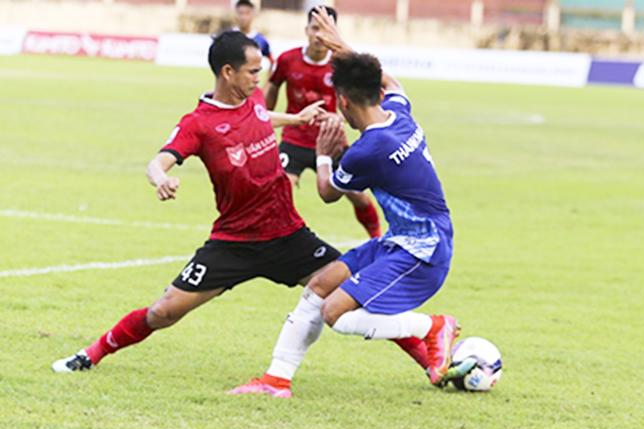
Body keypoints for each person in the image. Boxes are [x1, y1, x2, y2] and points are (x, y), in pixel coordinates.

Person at [50, 31, 339, 385]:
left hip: (288, 234)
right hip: (234, 242)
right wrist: (161, 180)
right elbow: (156, 163)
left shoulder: (255, 98)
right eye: (251, 71)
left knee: (351, 289)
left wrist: (296, 119)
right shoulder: (198, 124)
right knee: (164, 311)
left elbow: (261, 115)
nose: (258, 77)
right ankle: (90, 354)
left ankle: (428, 353)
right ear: (228, 72)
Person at [227, 7, 461, 398]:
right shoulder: (399, 113)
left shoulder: (368, 150)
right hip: (404, 239)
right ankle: (275, 381)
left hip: (423, 251)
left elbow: (328, 193)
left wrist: (323, 153)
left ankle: (433, 327)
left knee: (334, 313)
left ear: (343, 101)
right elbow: (386, 78)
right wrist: (341, 45)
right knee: (319, 285)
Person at [265, 6, 381, 239]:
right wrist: (265, 119)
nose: (319, 35)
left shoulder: (343, 65)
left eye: (324, 29)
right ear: (306, 29)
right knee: (278, 192)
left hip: (332, 140)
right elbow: (270, 94)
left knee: (358, 195)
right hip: (294, 140)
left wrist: (339, 117)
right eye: (314, 28)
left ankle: (376, 238)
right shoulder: (287, 60)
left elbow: (359, 103)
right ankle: (273, 241)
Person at [232, 0, 274, 68]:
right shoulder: (227, 37)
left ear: (253, 14)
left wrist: (267, 78)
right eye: (241, 13)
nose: (243, 17)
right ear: (236, 14)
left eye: (247, 13)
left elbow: (272, 61)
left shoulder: (261, 40)